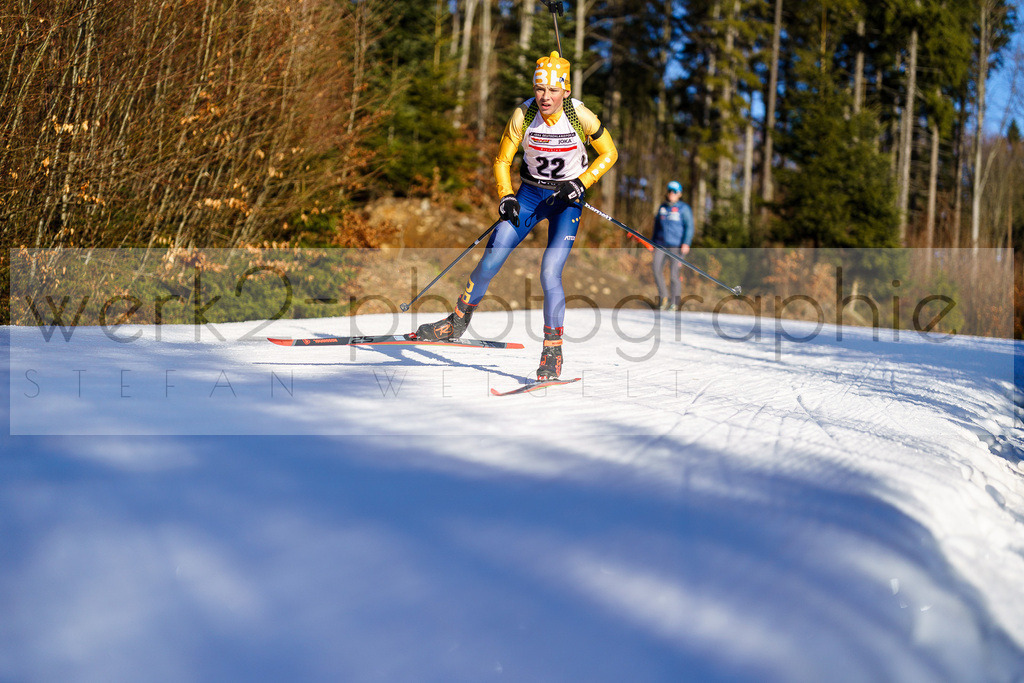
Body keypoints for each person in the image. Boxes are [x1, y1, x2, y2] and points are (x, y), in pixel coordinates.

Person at [414, 51, 618, 380]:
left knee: (550, 272)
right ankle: (457, 320)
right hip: (530, 194)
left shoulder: (580, 115)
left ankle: (552, 352)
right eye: (540, 89)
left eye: (553, 90)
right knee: (492, 258)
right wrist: (505, 195)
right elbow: (501, 160)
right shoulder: (524, 114)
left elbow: (610, 153)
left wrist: (581, 183)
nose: (545, 97)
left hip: (566, 202)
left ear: (566, 91)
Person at [651, 180, 694, 310]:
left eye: (674, 191)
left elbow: (689, 227)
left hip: (677, 246)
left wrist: (686, 243)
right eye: (670, 190)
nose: (671, 194)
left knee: (674, 274)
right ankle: (663, 297)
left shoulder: (684, 208)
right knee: (656, 268)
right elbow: (656, 226)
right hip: (661, 244)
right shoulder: (662, 208)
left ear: (679, 194)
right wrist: (653, 241)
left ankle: (675, 302)